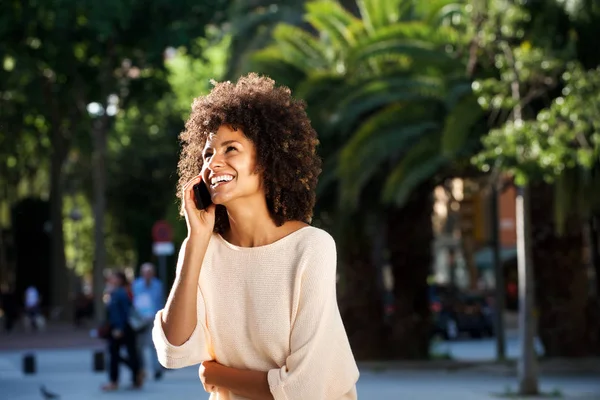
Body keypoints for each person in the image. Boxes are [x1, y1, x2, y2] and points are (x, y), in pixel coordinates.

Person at [152, 73, 359, 399]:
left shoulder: (311, 248)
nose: (213, 163)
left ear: (266, 159)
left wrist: (217, 374)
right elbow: (173, 351)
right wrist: (196, 240)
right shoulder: (201, 250)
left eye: (230, 148)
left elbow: (305, 389)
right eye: (207, 154)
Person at [101, 271, 142, 391]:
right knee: (118, 353)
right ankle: (136, 372)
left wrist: (119, 328)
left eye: (113, 278)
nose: (110, 280)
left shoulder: (121, 292)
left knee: (119, 353)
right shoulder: (113, 292)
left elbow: (124, 312)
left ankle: (119, 380)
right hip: (117, 327)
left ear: (119, 280)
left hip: (122, 328)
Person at [132, 262, 165, 380]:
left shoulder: (157, 285)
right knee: (139, 346)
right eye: (146, 272)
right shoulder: (136, 285)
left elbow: (160, 301)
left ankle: (157, 369)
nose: (148, 275)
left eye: (150, 272)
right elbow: (135, 302)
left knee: (154, 345)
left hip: (153, 319)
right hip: (140, 320)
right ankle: (142, 370)